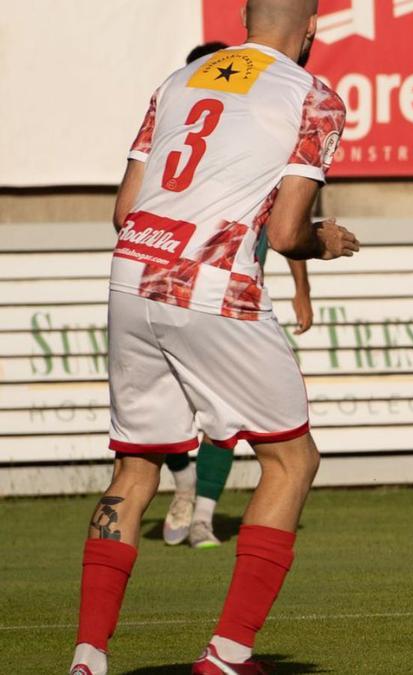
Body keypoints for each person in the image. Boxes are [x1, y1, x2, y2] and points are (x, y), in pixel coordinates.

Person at [69, 2, 357, 673]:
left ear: (247, 18)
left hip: (133, 272)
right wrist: (327, 243)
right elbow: (287, 233)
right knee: (292, 461)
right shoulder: (313, 97)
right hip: (212, 284)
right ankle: (226, 655)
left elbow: (123, 210)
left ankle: (88, 656)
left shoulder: (177, 83)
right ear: (310, 30)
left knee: (134, 469)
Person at [161, 40, 317, 551]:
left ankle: (201, 514)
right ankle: (184, 484)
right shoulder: (174, 125)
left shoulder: (255, 133)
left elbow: (286, 219)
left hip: (226, 292)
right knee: (168, 415)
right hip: (165, 285)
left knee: (224, 416)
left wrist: (300, 288)